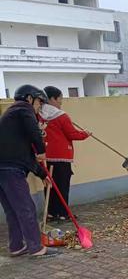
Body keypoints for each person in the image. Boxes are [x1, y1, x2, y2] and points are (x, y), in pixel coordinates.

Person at [0, 85, 58, 258]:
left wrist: (42, 174)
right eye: (40, 102)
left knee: (12, 209)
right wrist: (41, 150)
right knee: (26, 208)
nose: (39, 107)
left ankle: (16, 246)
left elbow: (24, 154)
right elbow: (35, 136)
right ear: (29, 98)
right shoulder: (23, 109)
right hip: (10, 170)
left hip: (4, 168)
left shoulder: (11, 117)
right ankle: (36, 248)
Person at [39, 86, 91, 221]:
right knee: (62, 186)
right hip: (62, 157)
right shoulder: (61, 115)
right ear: (51, 99)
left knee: (50, 186)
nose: (61, 102)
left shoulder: (38, 115)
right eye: (59, 99)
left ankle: (51, 213)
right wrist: (85, 134)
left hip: (45, 155)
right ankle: (63, 213)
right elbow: (72, 134)